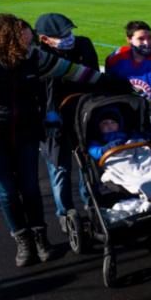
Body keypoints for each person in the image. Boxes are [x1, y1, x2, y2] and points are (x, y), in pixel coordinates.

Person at [0, 14, 126, 267]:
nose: (31, 42)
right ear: (9, 39)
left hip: (25, 133)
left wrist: (111, 82)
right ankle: (23, 241)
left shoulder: (35, 58)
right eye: (26, 39)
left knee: (32, 190)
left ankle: (40, 237)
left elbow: (73, 71)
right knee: (9, 193)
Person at [35, 13, 99, 233]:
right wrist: (49, 117)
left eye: (69, 32)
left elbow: (94, 76)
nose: (68, 37)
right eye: (61, 35)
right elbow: (43, 93)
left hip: (84, 112)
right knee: (60, 168)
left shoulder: (84, 44)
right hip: (53, 119)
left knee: (89, 163)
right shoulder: (39, 55)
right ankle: (65, 212)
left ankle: (92, 202)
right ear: (45, 39)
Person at [105, 21, 151, 191]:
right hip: (129, 119)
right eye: (141, 39)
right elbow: (109, 85)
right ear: (128, 40)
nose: (147, 42)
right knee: (136, 161)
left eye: (150, 37)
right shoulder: (115, 59)